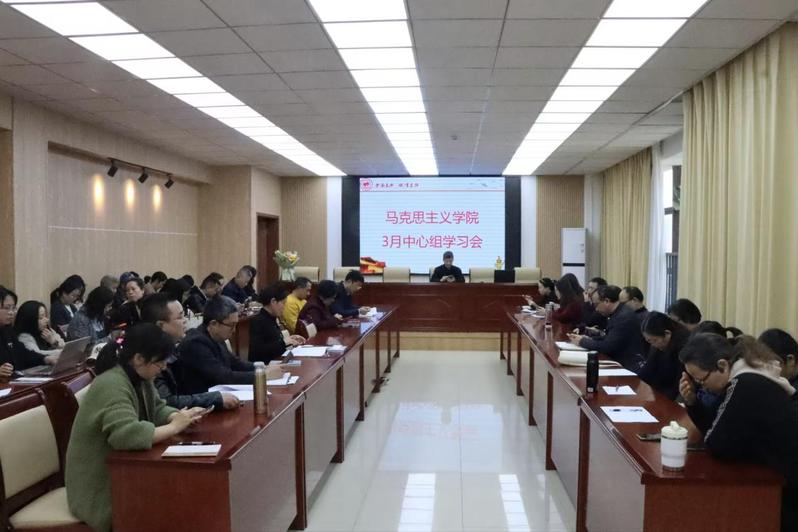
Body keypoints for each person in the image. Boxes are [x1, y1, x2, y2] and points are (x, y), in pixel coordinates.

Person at [65, 323, 206, 532]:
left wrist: (178, 416)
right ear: (139, 358)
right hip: (99, 487)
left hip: (125, 472)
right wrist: (175, 427)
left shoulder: (139, 375)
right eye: (160, 362)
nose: (164, 368)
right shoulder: (111, 384)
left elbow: (157, 408)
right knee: (169, 503)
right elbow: (126, 436)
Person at [679, 334, 798, 531]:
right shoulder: (746, 376)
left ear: (722, 365)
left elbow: (717, 444)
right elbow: (715, 425)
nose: (702, 386)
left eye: (701, 380)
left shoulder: (744, 384)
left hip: (787, 491)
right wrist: (692, 402)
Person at [141, 293, 239, 411]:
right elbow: (166, 402)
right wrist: (215, 398)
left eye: (184, 315)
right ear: (161, 325)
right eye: (180, 317)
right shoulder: (149, 358)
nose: (185, 321)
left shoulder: (172, 350)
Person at [178, 295, 281, 394]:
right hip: (204, 400)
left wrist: (262, 367)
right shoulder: (195, 343)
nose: (234, 330)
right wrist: (262, 375)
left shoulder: (216, 336)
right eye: (231, 325)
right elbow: (223, 376)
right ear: (214, 324)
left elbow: (235, 363)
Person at [568, 285, 646, 371]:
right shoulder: (618, 313)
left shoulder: (623, 317)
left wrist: (582, 341)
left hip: (626, 367)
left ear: (607, 301)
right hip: (619, 361)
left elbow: (607, 346)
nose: (596, 309)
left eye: (596, 304)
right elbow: (609, 338)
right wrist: (589, 339)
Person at [0, 286, 56, 372]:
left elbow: (22, 353)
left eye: (13, 308)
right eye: (7, 308)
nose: (11, 313)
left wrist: (45, 359)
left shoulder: (7, 329)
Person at [638, 312, 689, 400]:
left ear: (667, 333)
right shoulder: (658, 346)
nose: (652, 345)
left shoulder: (683, 349)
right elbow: (646, 371)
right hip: (660, 393)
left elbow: (677, 386)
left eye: (654, 340)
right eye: (649, 341)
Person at [249, 285, 305, 363]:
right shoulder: (258, 321)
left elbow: (275, 342)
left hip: (277, 361)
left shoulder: (272, 318)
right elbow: (258, 352)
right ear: (273, 302)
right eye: (283, 303)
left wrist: (291, 339)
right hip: (266, 366)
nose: (284, 307)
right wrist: (284, 342)